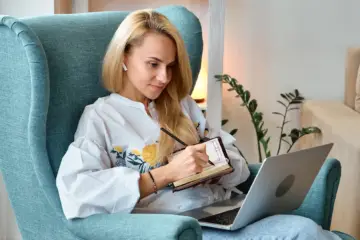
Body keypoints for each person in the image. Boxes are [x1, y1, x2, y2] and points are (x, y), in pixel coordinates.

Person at [56, 9, 341, 240]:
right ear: (125, 58)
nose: (164, 77)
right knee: (301, 233)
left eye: (170, 66)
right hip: (173, 228)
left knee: (304, 230)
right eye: (153, 64)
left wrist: (214, 168)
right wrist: (166, 174)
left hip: (220, 212)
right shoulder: (101, 117)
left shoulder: (182, 105)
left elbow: (237, 166)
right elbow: (77, 191)